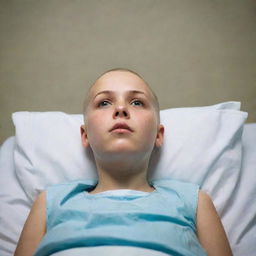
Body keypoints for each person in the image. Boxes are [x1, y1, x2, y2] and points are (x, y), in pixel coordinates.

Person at [14, 68, 233, 256]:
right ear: (85, 135)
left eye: (137, 102)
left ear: (159, 135)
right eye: (104, 102)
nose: (120, 109)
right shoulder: (51, 201)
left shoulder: (192, 201)